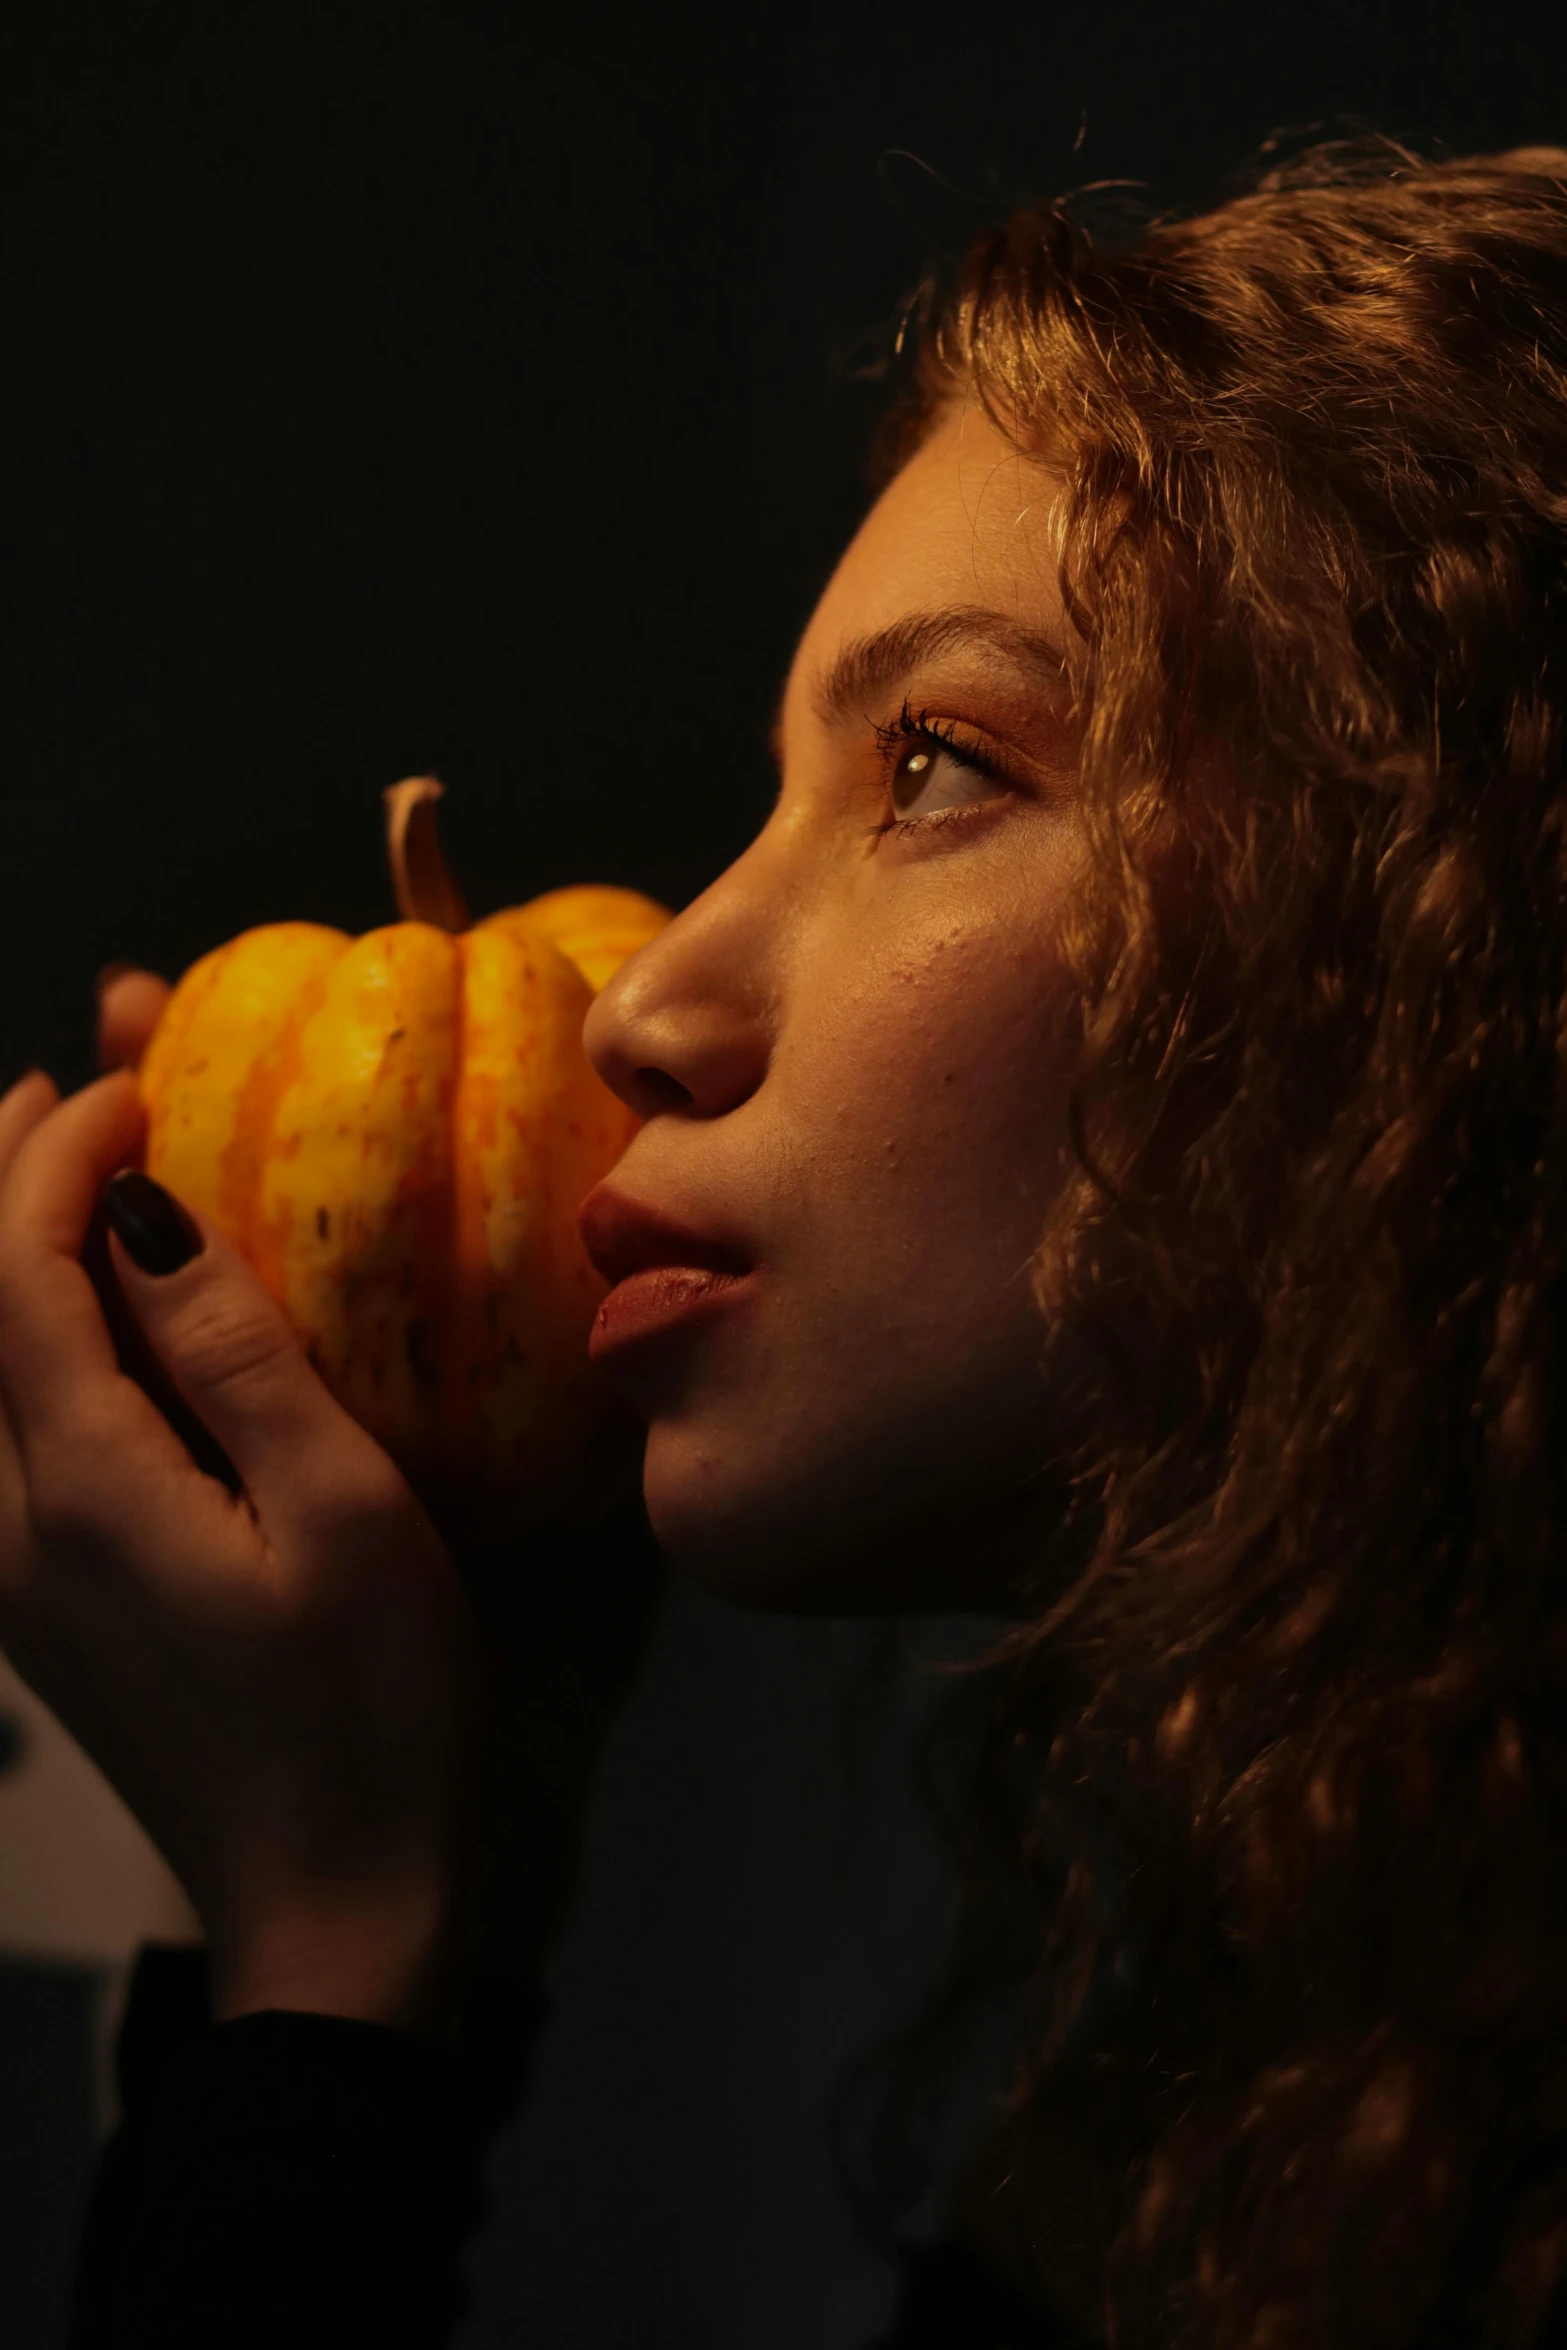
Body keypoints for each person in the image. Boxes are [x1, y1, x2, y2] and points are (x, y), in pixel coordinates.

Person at [3, 134, 1567, 2349]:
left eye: (930, 770)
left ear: (1445, 945)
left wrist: (321, 1961)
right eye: (777, 794)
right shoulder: (1301, 2120)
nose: (652, 999)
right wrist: (453, 1857)